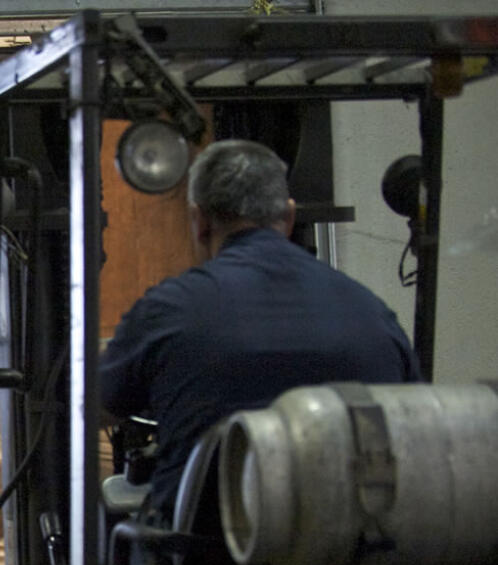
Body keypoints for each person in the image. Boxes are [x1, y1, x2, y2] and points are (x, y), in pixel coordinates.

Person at [100, 138, 421, 522]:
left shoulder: (168, 309)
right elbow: (413, 423)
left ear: (199, 222)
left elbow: (96, 408)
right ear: (288, 217)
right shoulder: (373, 312)